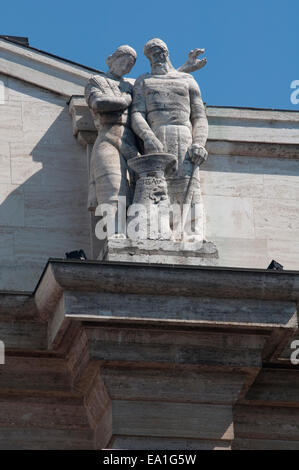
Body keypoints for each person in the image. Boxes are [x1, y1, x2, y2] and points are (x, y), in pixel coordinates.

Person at [131, 38, 209, 240]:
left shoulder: (187, 80)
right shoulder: (143, 81)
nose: (156, 57)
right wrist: (147, 136)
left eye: (159, 52)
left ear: (166, 53)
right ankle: (160, 231)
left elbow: (199, 116)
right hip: (156, 135)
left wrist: (199, 143)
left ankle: (191, 232)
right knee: (160, 185)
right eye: (151, 55)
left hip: (183, 135)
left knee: (187, 183)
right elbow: (137, 114)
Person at [85, 45, 139, 236]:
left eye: (130, 64)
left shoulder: (130, 86)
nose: (126, 66)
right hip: (107, 137)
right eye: (123, 61)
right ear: (113, 59)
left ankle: (131, 235)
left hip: (129, 142)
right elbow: (98, 103)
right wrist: (125, 101)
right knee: (112, 187)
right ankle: (115, 235)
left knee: (133, 191)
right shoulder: (97, 81)